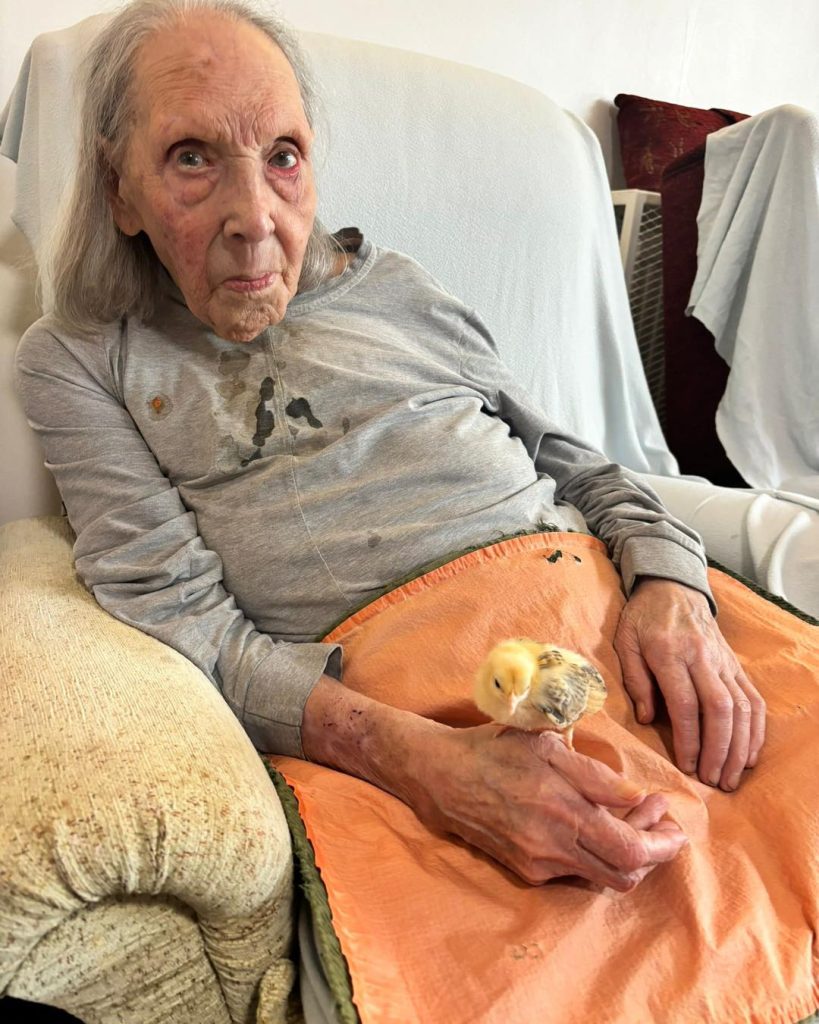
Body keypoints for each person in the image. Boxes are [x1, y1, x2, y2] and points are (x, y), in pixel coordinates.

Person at [16, 0, 765, 893]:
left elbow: (580, 465)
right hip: (422, 717)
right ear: (118, 191)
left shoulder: (398, 287)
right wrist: (431, 768)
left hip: (615, 630)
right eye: (191, 158)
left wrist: (672, 586)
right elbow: (179, 620)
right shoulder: (83, 359)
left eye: (283, 157)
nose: (255, 219)